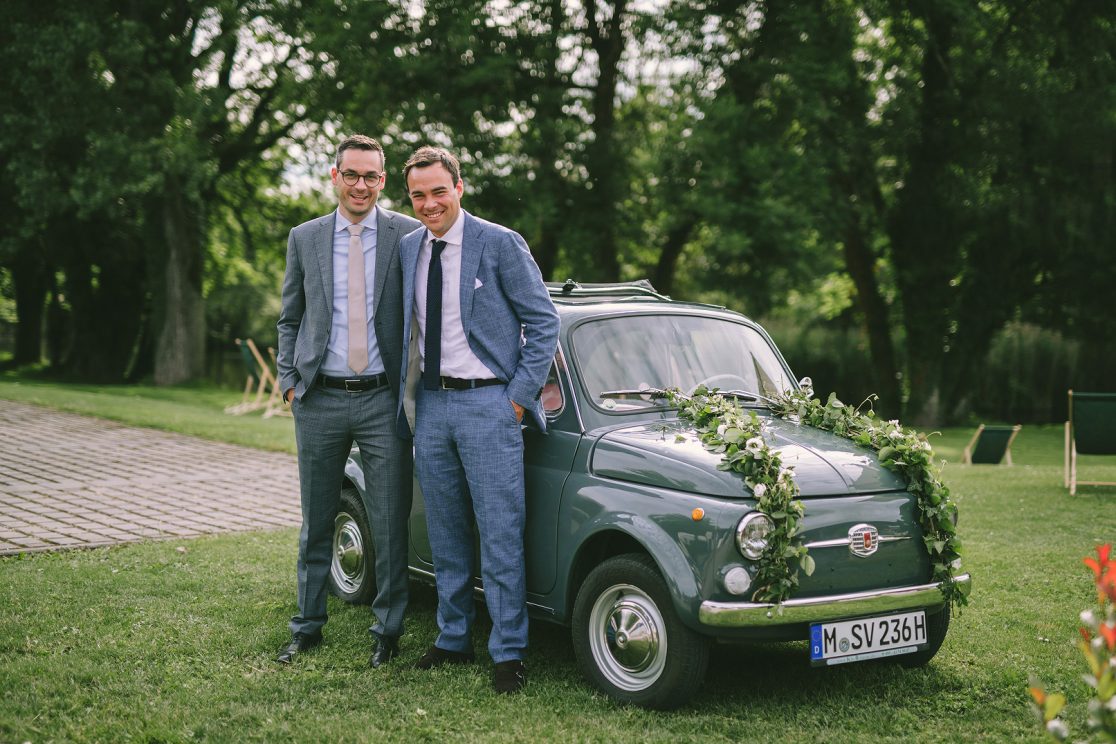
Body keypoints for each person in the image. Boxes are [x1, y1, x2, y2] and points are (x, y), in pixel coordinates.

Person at [397, 146, 559, 694]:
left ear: (459, 187)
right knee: (444, 528)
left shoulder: (498, 243)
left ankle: (508, 651)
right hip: (433, 405)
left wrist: (516, 397)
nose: (429, 203)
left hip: (489, 404)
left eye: (438, 191)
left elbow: (543, 322)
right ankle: (452, 636)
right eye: (418, 194)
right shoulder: (407, 250)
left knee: (499, 530)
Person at [275, 134, 420, 667]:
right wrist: (289, 379)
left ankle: (388, 631)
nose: (361, 185)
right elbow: (290, 316)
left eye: (372, 177)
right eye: (352, 175)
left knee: (389, 520)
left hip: (383, 401)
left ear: (383, 181)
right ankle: (307, 625)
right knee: (316, 520)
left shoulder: (406, 235)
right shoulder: (305, 238)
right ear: (334, 176)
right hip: (319, 399)